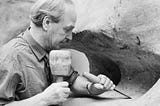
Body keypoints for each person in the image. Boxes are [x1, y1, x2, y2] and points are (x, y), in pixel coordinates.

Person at [0, 0, 116, 105]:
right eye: (67, 30)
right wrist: (43, 99)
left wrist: (92, 87)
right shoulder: (11, 57)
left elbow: (71, 80)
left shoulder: (50, 48)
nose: (70, 37)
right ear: (47, 23)